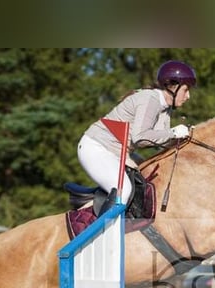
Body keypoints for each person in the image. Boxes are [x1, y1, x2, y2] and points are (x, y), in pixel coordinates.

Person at [76, 60, 196, 209]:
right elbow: (140, 138)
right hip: (96, 148)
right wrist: (173, 132)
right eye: (186, 90)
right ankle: (106, 231)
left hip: (118, 152)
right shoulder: (150, 99)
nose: (188, 96)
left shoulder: (165, 107)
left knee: (149, 175)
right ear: (173, 87)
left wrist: (183, 139)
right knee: (124, 192)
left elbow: (159, 141)